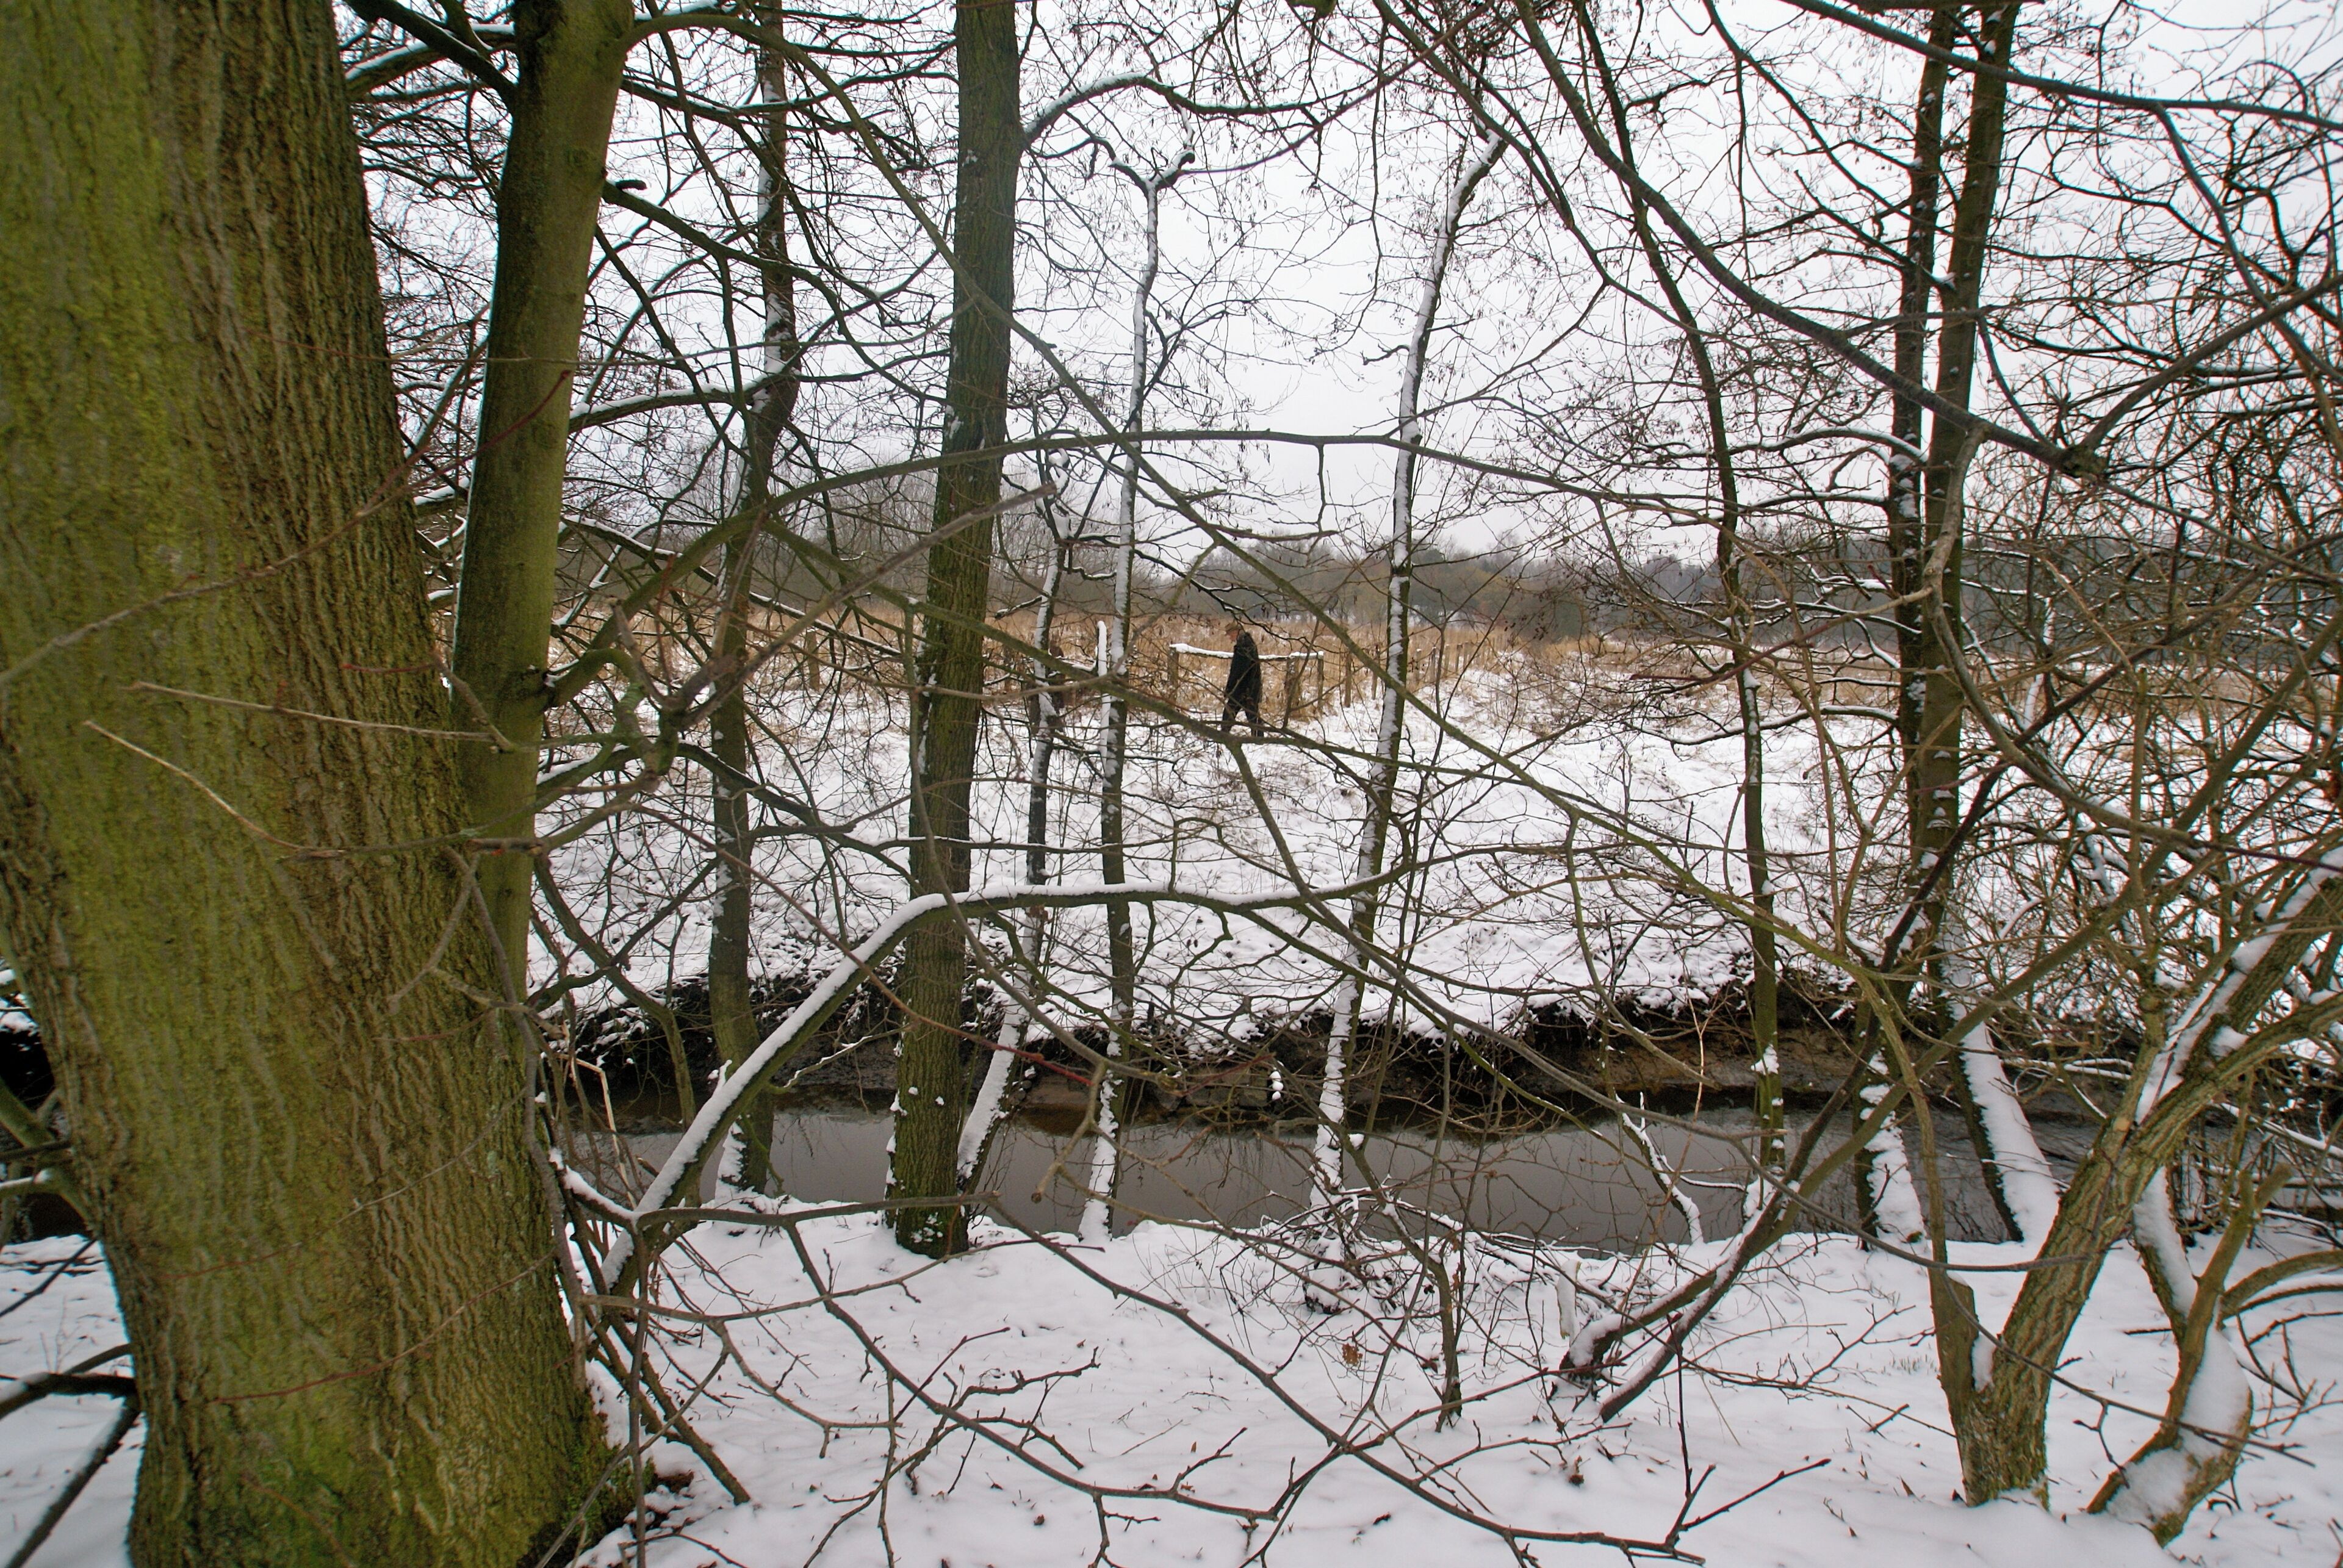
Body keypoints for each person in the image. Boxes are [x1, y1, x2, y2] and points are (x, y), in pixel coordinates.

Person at [1219, 619, 1265, 736]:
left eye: (1230, 634)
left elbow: (1238, 671)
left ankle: (1223, 736)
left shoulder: (1244, 646)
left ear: (1237, 632)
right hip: (1246, 686)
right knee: (1250, 714)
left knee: (1235, 712)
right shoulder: (1245, 644)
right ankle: (1258, 738)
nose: (1230, 638)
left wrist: (1231, 688)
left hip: (1244, 687)